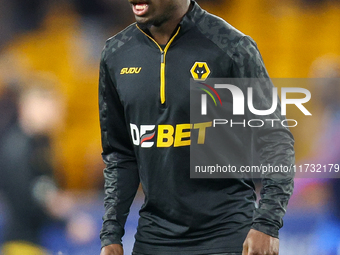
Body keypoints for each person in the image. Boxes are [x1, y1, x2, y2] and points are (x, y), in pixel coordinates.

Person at [98, 1, 295, 255]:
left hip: (227, 236)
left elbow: (276, 140)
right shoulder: (115, 54)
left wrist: (268, 223)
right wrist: (111, 234)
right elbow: (120, 155)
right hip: (154, 239)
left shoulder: (232, 47)